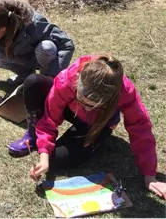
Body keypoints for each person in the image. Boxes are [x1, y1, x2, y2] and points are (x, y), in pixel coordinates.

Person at [15, 54, 166, 199]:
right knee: (34, 82)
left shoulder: (124, 91)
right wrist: (43, 156)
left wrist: (150, 176)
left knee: (57, 158)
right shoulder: (68, 78)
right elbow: (49, 118)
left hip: (97, 123)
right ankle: (33, 133)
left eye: (93, 106)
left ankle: (98, 136)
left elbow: (140, 127)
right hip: (70, 108)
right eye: (83, 101)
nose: (86, 107)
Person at [0, 0, 74, 88]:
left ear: (3, 29)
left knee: (46, 47)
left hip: (43, 57)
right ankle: (25, 77)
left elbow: (66, 44)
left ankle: (45, 81)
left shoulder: (35, 24)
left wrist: (52, 74)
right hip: (26, 60)